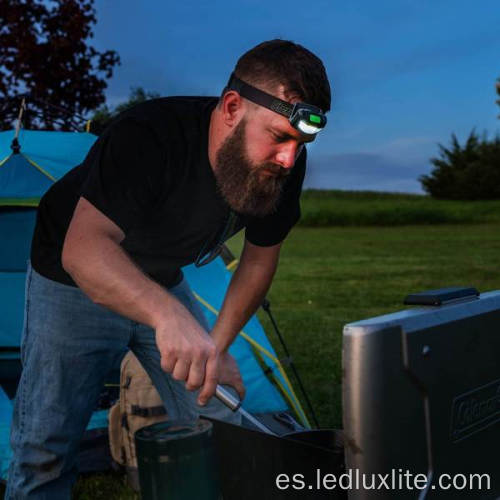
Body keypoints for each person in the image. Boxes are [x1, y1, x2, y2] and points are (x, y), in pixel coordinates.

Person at [6, 39, 331, 498]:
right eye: (279, 137)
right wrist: (169, 316)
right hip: (73, 279)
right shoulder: (150, 134)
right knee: (46, 447)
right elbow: (83, 250)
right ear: (233, 107)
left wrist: (216, 346)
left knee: (215, 415)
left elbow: (259, 260)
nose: (289, 159)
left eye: (301, 144)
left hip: (159, 277)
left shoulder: (285, 165)